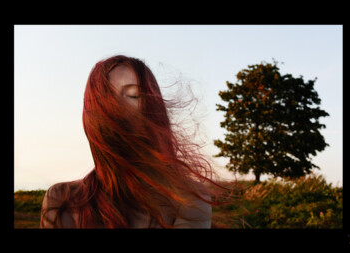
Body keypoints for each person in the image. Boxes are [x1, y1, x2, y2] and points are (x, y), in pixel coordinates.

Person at [40, 55, 223, 228]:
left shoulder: (189, 197)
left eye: (134, 95)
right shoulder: (62, 199)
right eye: (107, 98)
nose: (117, 108)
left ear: (153, 108)